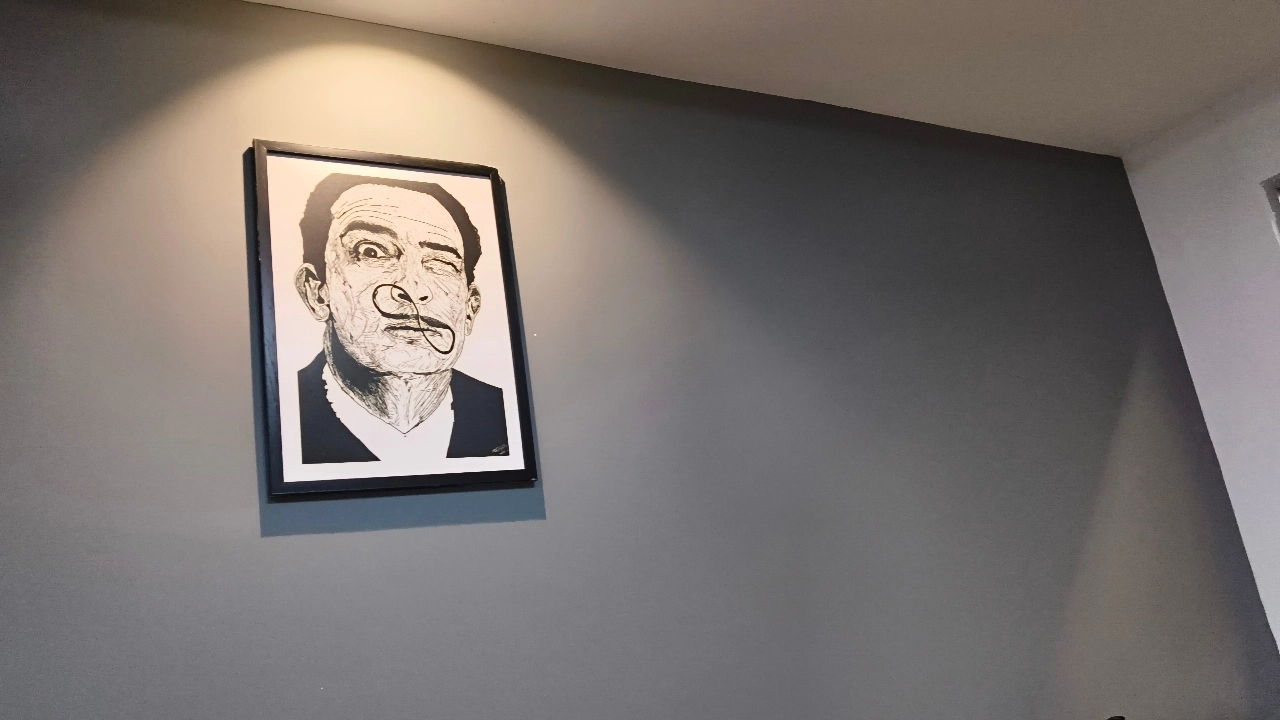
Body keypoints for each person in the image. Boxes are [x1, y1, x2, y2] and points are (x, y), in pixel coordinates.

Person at [292, 173, 508, 464]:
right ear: (316, 293)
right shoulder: (287, 416)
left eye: (442, 261)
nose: (414, 289)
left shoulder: (505, 417)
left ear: (470, 308)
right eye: (371, 252)